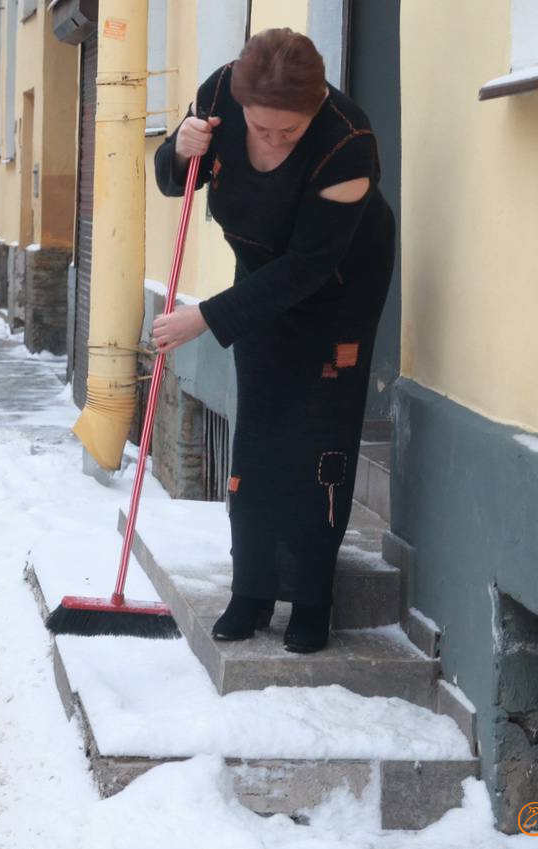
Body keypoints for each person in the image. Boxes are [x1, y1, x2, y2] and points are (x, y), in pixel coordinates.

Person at [151, 28, 396, 653]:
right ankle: (252, 590)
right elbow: (175, 182)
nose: (274, 140)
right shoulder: (217, 99)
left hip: (337, 287)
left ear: (315, 108)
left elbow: (309, 267)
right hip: (259, 274)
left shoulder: (347, 141)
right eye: (262, 129)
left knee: (319, 432)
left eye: (289, 131)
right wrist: (179, 150)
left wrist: (205, 316)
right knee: (259, 426)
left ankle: (313, 596)